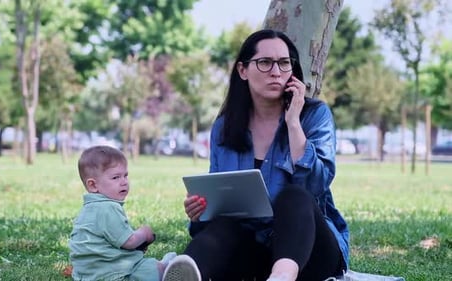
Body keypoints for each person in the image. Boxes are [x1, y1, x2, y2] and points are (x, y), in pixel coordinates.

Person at [182, 29, 350, 281]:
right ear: (242, 70)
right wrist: (201, 210)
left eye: (284, 63)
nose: (276, 71)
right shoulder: (225, 127)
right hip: (254, 252)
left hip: (310, 250)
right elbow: (221, 198)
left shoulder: (315, 116)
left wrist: (293, 122)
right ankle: (186, 272)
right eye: (265, 62)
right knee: (223, 226)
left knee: (294, 196)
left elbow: (316, 185)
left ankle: (282, 276)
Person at [69, 145, 200, 281]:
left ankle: (166, 264)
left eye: (125, 176)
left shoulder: (87, 210)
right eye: (115, 177)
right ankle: (167, 268)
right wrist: (144, 234)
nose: (124, 182)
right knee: (148, 268)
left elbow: (108, 242)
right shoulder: (108, 208)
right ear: (93, 185)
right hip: (113, 273)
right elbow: (129, 241)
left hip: (87, 275)